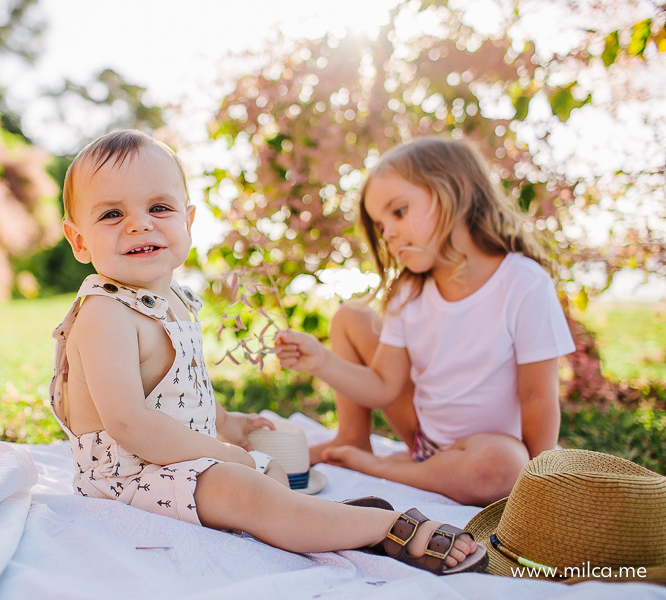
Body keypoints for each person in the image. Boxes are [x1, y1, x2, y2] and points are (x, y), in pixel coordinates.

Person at [47, 129, 486, 575]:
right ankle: (384, 527)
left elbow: (180, 392)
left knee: (270, 473)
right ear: (79, 240)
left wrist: (227, 424)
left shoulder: (174, 301)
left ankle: (320, 521)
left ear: (188, 222)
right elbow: (128, 422)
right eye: (111, 214)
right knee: (244, 486)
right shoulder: (106, 314)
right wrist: (224, 454)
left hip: (174, 462)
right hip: (127, 477)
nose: (139, 223)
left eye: (159, 208)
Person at [275, 137, 576, 507]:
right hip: (424, 441)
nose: (388, 233)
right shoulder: (409, 292)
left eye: (398, 212)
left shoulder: (523, 283)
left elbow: (538, 397)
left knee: (503, 467)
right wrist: (321, 361)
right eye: (380, 224)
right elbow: (385, 386)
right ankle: (353, 440)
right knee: (350, 317)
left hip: (491, 451)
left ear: (457, 191)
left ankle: (381, 468)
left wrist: (537, 479)